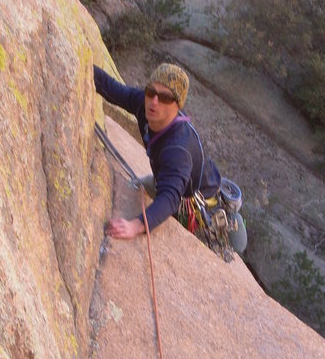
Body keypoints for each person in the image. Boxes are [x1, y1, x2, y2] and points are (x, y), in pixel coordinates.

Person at [94, 62, 247, 255]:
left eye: (165, 97)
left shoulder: (177, 150)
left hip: (191, 201)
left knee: (233, 247)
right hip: (170, 181)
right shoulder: (145, 104)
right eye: (151, 91)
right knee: (135, 186)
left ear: (177, 104)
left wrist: (136, 225)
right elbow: (110, 87)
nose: (154, 101)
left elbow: (170, 199)